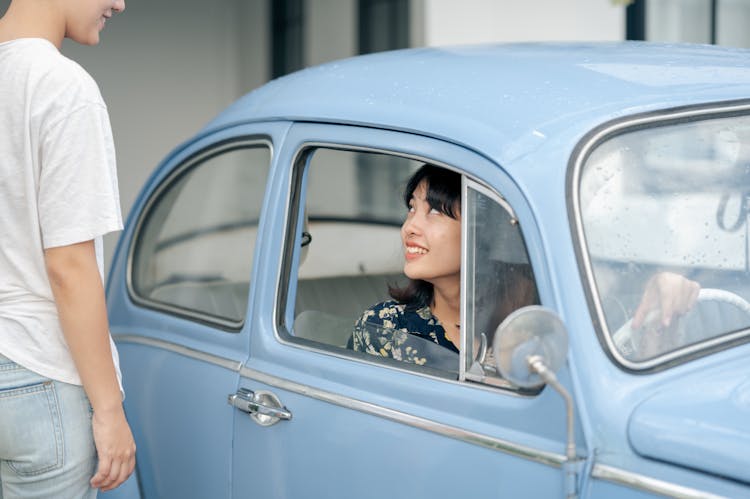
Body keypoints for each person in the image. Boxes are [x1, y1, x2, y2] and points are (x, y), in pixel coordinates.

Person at [351, 163, 700, 367]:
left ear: (482, 230)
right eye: (412, 208)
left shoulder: (548, 313)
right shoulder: (385, 328)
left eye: (435, 212)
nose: (410, 226)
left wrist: (662, 309)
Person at [0, 1, 135, 496]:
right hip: (38, 373)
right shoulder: (60, 85)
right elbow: (69, 265)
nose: (120, 3)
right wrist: (110, 409)